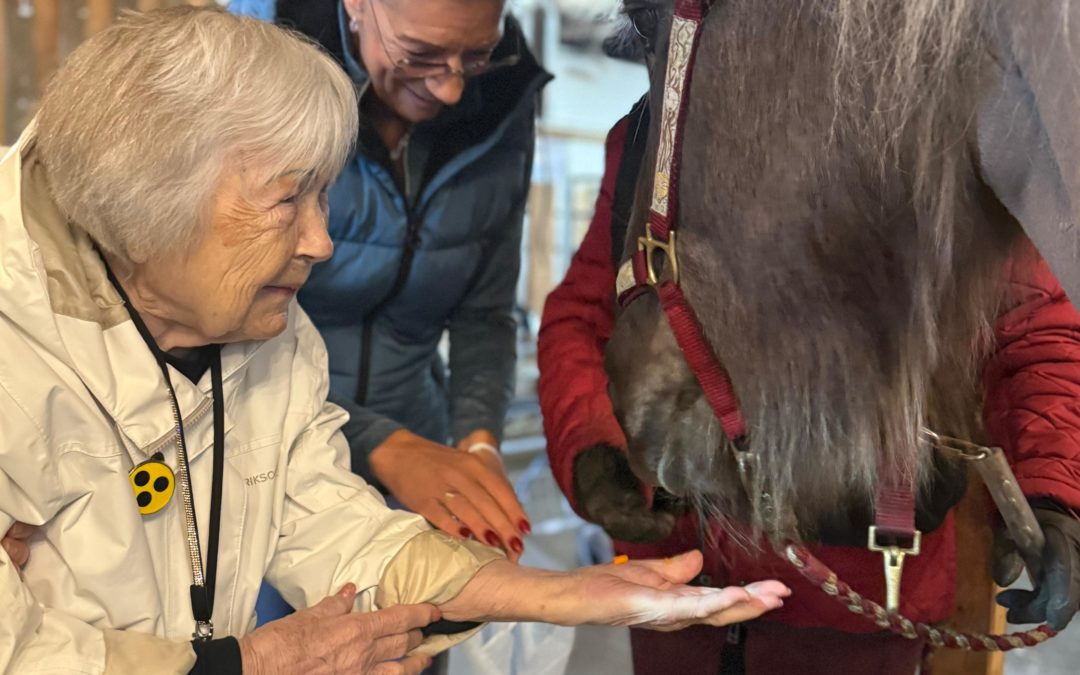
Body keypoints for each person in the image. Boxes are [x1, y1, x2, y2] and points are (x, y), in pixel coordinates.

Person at [0, 7, 791, 674]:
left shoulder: (267, 332)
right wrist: (255, 661)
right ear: (152, 204)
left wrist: (557, 593)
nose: (321, 242)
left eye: (324, 196)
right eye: (288, 202)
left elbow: (325, 522)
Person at [538, 18, 1080, 675]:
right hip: (679, 589)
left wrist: (1054, 493)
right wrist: (589, 444)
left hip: (859, 599)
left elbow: (1037, 330)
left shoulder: (932, 134)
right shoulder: (650, 143)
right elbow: (587, 309)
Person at [230, 0, 547, 571]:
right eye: (420, 54)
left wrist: (478, 445)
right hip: (262, 455)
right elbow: (218, 325)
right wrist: (381, 444)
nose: (451, 90)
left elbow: (484, 311)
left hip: (417, 448)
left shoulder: (504, 95)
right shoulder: (250, 65)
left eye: (475, 55)